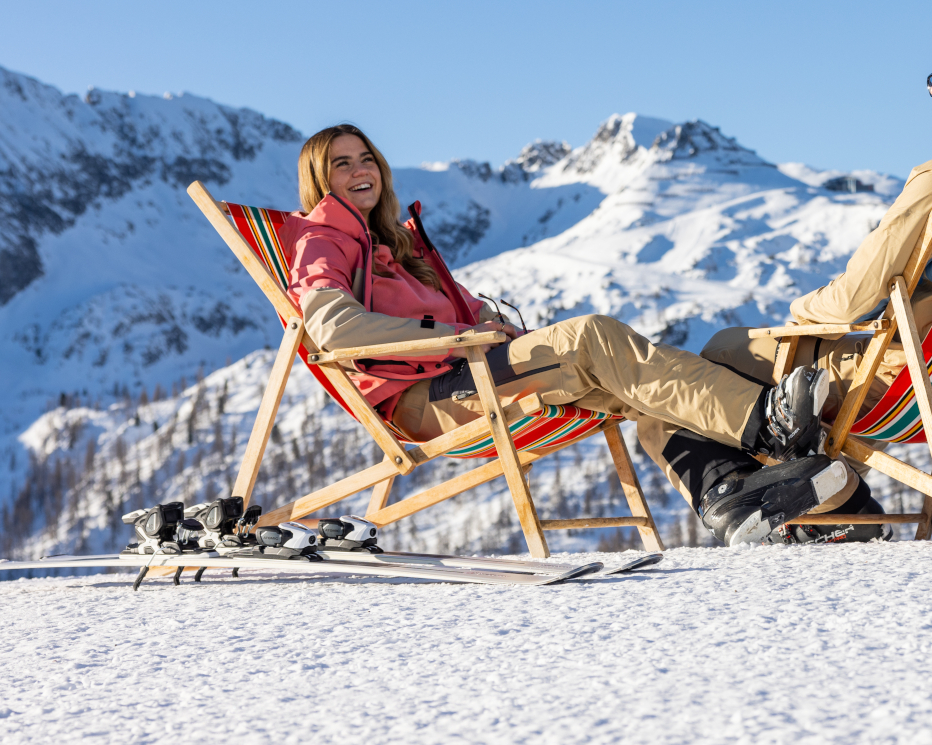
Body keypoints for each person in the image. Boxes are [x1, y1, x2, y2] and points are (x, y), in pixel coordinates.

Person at [288, 124, 848, 548]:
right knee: (592, 339)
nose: (361, 169)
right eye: (342, 164)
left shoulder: (392, 243)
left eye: (367, 158)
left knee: (643, 384)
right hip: (429, 399)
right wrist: (455, 335)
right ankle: (768, 421)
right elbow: (335, 328)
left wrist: (481, 321)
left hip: (466, 372)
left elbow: (456, 310)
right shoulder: (322, 240)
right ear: (320, 178)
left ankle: (729, 495)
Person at [635, 26, 932, 543]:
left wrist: (799, 311)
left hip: (915, 383)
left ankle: (820, 507)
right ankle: (818, 503)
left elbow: (854, 298)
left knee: (720, 355)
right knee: (731, 388)